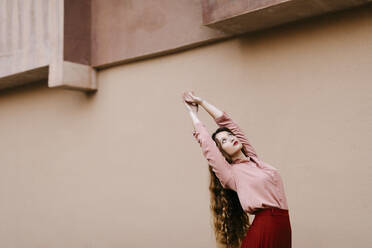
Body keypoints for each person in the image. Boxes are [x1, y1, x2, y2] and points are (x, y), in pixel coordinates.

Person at [182, 91, 292, 248]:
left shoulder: (254, 159)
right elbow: (207, 143)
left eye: (230, 135)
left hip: (282, 226)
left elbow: (227, 122)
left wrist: (201, 102)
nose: (231, 138)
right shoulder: (230, 174)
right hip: (265, 227)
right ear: (222, 152)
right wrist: (192, 112)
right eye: (224, 141)